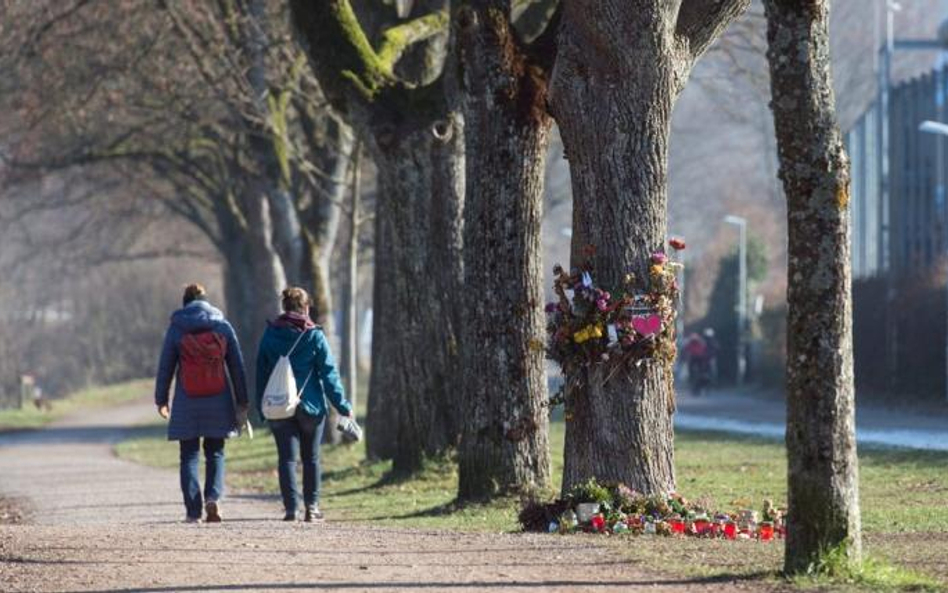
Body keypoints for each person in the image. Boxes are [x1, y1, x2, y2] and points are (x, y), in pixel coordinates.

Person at [256, 287, 353, 522]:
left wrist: (261, 407)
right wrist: (342, 406)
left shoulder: (270, 334)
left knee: (286, 459)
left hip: (279, 406)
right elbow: (329, 375)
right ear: (306, 307)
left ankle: (291, 509)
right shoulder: (314, 336)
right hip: (311, 406)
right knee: (311, 458)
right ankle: (312, 507)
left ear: (285, 307)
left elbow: (261, 372)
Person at [155, 284, 249, 523]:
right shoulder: (222, 326)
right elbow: (236, 366)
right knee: (215, 451)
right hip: (219, 398)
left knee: (188, 456)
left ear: (184, 303)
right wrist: (242, 400)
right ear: (207, 301)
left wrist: (161, 399)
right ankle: (213, 497)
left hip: (187, 399)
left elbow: (166, 366)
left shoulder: (177, 329)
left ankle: (193, 511)